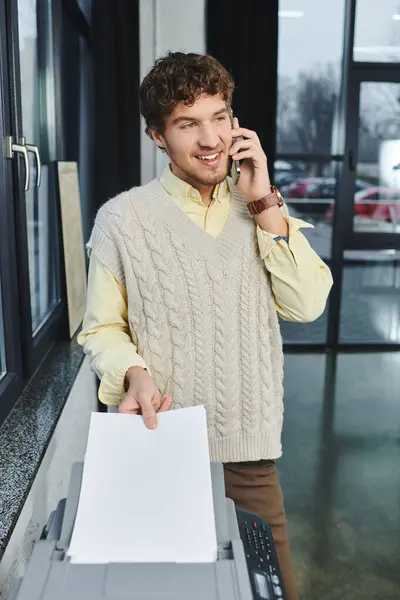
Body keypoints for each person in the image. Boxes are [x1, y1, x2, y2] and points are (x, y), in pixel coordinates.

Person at [78, 52, 333, 600]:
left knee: (272, 592)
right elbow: (100, 329)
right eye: (187, 123)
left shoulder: (257, 208)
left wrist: (265, 198)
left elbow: (308, 304)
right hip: (159, 449)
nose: (210, 137)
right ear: (157, 136)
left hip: (250, 453)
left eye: (221, 117)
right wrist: (134, 372)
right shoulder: (122, 220)